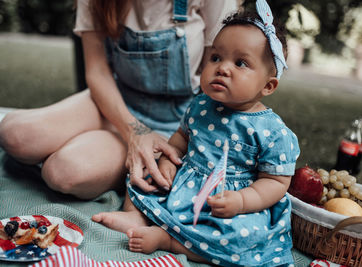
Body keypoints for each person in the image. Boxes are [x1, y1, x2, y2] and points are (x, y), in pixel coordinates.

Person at [92, 1, 301, 266]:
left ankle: (168, 240)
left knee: (238, 239)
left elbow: (275, 182)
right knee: (147, 174)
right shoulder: (202, 104)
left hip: (229, 202)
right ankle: (136, 214)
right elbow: (180, 139)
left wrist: (242, 201)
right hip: (187, 184)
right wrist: (169, 161)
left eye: (240, 63)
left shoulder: (272, 131)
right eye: (216, 57)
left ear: (268, 86)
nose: (222, 68)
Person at [0, 0, 237, 199]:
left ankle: (110, 158)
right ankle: (107, 146)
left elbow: (217, 84)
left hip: (176, 125)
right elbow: (97, 72)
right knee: (15, 134)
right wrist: (133, 131)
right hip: (114, 101)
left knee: (62, 172)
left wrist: (185, 145)